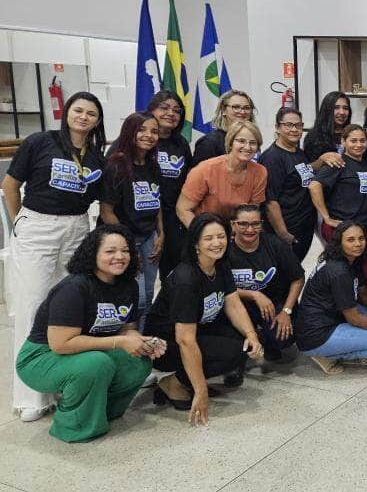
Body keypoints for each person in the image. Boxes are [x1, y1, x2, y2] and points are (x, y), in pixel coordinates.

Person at [4, 91, 106, 422]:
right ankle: (31, 396)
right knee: (33, 304)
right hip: (38, 225)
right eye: (78, 110)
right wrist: (21, 222)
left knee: (67, 308)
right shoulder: (40, 142)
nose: (84, 117)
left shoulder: (95, 156)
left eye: (91, 113)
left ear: (97, 120)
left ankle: (60, 381)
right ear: (67, 113)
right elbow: (10, 185)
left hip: (76, 227)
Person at [15, 224, 161, 442]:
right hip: (41, 358)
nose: (119, 257)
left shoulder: (129, 285)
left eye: (125, 250)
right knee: (95, 364)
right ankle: (72, 426)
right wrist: (119, 342)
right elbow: (60, 344)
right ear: (93, 254)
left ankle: (100, 412)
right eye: (110, 251)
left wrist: (142, 342)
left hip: (90, 351)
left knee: (138, 361)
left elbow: (127, 329)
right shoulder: (74, 288)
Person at [144, 213, 264, 425]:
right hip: (166, 345)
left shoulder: (219, 264)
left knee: (244, 340)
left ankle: (187, 380)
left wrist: (252, 335)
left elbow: (233, 303)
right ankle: (173, 383)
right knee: (233, 352)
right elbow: (185, 340)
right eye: (208, 238)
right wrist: (202, 392)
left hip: (199, 327)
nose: (217, 243)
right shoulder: (186, 279)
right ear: (196, 244)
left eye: (221, 236)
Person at [293, 222, 367, 375]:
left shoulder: (352, 259)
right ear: (339, 243)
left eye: (361, 238)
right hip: (317, 334)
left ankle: (351, 344)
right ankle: (325, 355)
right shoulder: (338, 271)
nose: (358, 244)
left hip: (334, 316)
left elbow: (363, 293)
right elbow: (354, 319)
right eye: (350, 240)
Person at [99, 112, 163, 328]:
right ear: (130, 132)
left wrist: (161, 234)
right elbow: (106, 210)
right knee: (135, 297)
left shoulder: (153, 165)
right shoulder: (116, 165)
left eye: (154, 131)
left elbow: (157, 201)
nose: (149, 135)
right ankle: (127, 342)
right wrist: (125, 246)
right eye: (142, 130)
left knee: (148, 293)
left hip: (149, 237)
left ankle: (142, 339)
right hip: (125, 240)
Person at [228, 204, 305, 363]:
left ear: (261, 224)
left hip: (275, 302)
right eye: (243, 224)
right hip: (238, 304)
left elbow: (298, 278)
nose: (250, 229)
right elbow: (220, 287)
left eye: (255, 224)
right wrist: (254, 294)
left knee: (283, 338)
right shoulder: (223, 250)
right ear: (233, 225)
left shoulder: (276, 245)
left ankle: (266, 340)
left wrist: (286, 311)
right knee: (230, 343)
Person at [309, 124, 367, 285]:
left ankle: (365, 303)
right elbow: (314, 186)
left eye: (362, 140)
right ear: (344, 142)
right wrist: (326, 217)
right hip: (341, 228)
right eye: (353, 140)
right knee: (343, 272)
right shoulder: (339, 163)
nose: (358, 144)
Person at [177, 120, 267, 226]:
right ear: (230, 143)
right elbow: (182, 209)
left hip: (238, 232)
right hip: (205, 232)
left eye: (253, 143)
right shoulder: (205, 169)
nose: (247, 147)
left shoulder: (260, 172)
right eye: (241, 141)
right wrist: (202, 234)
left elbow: (251, 213)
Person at [260, 107, 319, 263]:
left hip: (303, 228)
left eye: (298, 125)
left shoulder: (299, 153)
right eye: (288, 125)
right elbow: (270, 202)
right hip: (287, 231)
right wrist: (283, 233)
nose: (294, 129)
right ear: (277, 128)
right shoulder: (272, 158)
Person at [145, 90, 192, 280]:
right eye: (164, 108)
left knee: (172, 274)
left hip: (173, 218)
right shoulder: (143, 140)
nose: (171, 113)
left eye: (176, 110)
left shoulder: (181, 143)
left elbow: (189, 179)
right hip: (143, 217)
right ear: (151, 110)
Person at [193, 90, 257, 165]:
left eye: (246, 108)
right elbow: (198, 175)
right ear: (223, 110)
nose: (242, 112)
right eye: (236, 107)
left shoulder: (252, 139)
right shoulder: (209, 142)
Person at [302, 91, 350, 166]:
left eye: (345, 108)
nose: (342, 112)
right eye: (336, 108)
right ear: (327, 109)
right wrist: (320, 161)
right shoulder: (314, 136)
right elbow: (308, 169)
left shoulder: (352, 133)